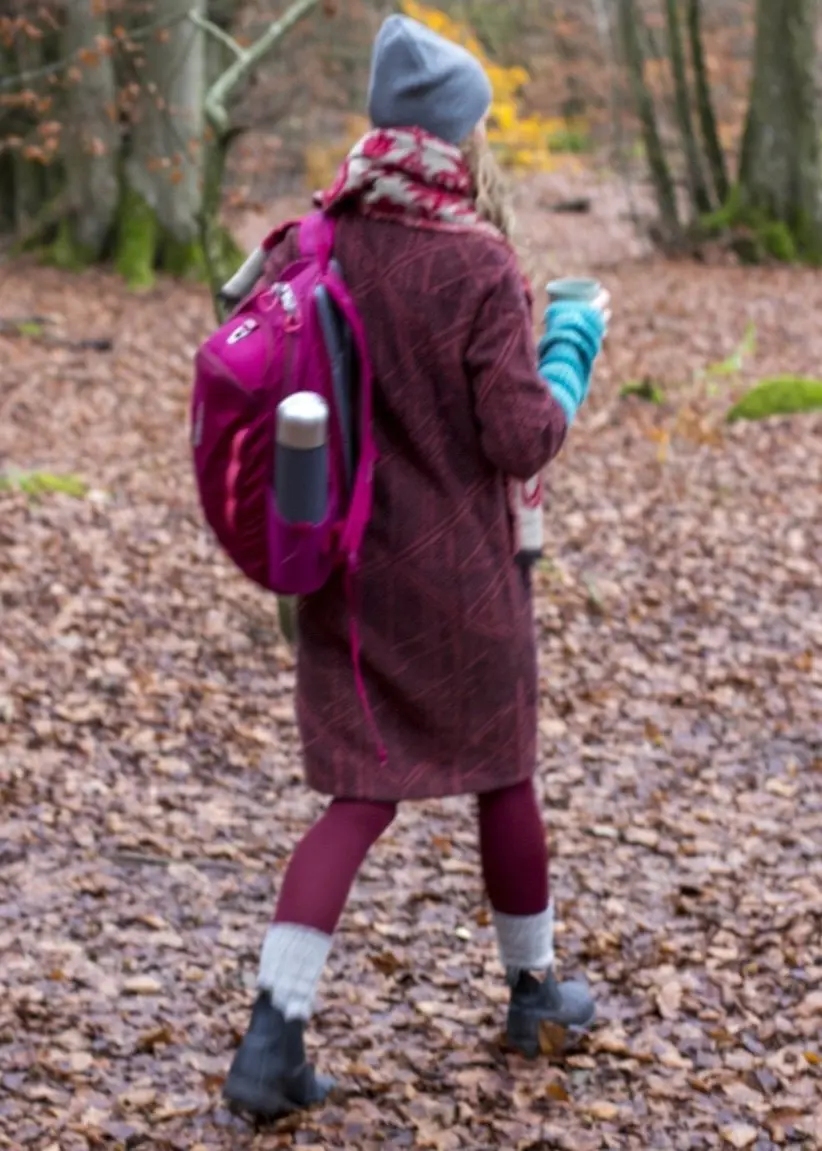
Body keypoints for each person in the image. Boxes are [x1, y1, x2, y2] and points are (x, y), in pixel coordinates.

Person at [223, 14, 608, 1119]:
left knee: (358, 795)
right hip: (467, 576)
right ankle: (535, 992)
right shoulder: (479, 260)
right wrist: (572, 354)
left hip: (344, 572)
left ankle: (272, 1038)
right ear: (458, 137)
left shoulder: (319, 238)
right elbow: (522, 436)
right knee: (504, 773)